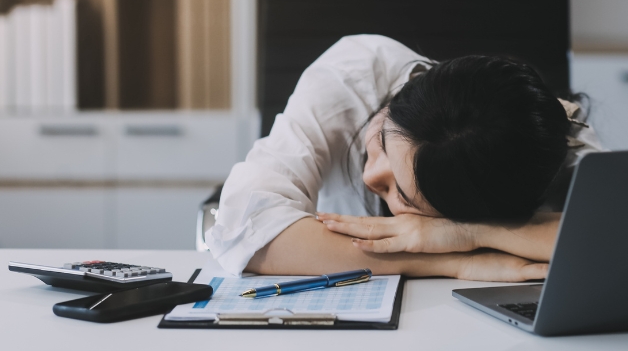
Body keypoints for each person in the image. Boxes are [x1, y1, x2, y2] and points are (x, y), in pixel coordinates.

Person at [206, 35, 603, 282]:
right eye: (381, 136)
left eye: (403, 195)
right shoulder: (356, 72)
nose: (370, 175)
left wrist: (471, 234)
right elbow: (247, 233)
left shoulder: (549, 144)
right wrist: (447, 261)